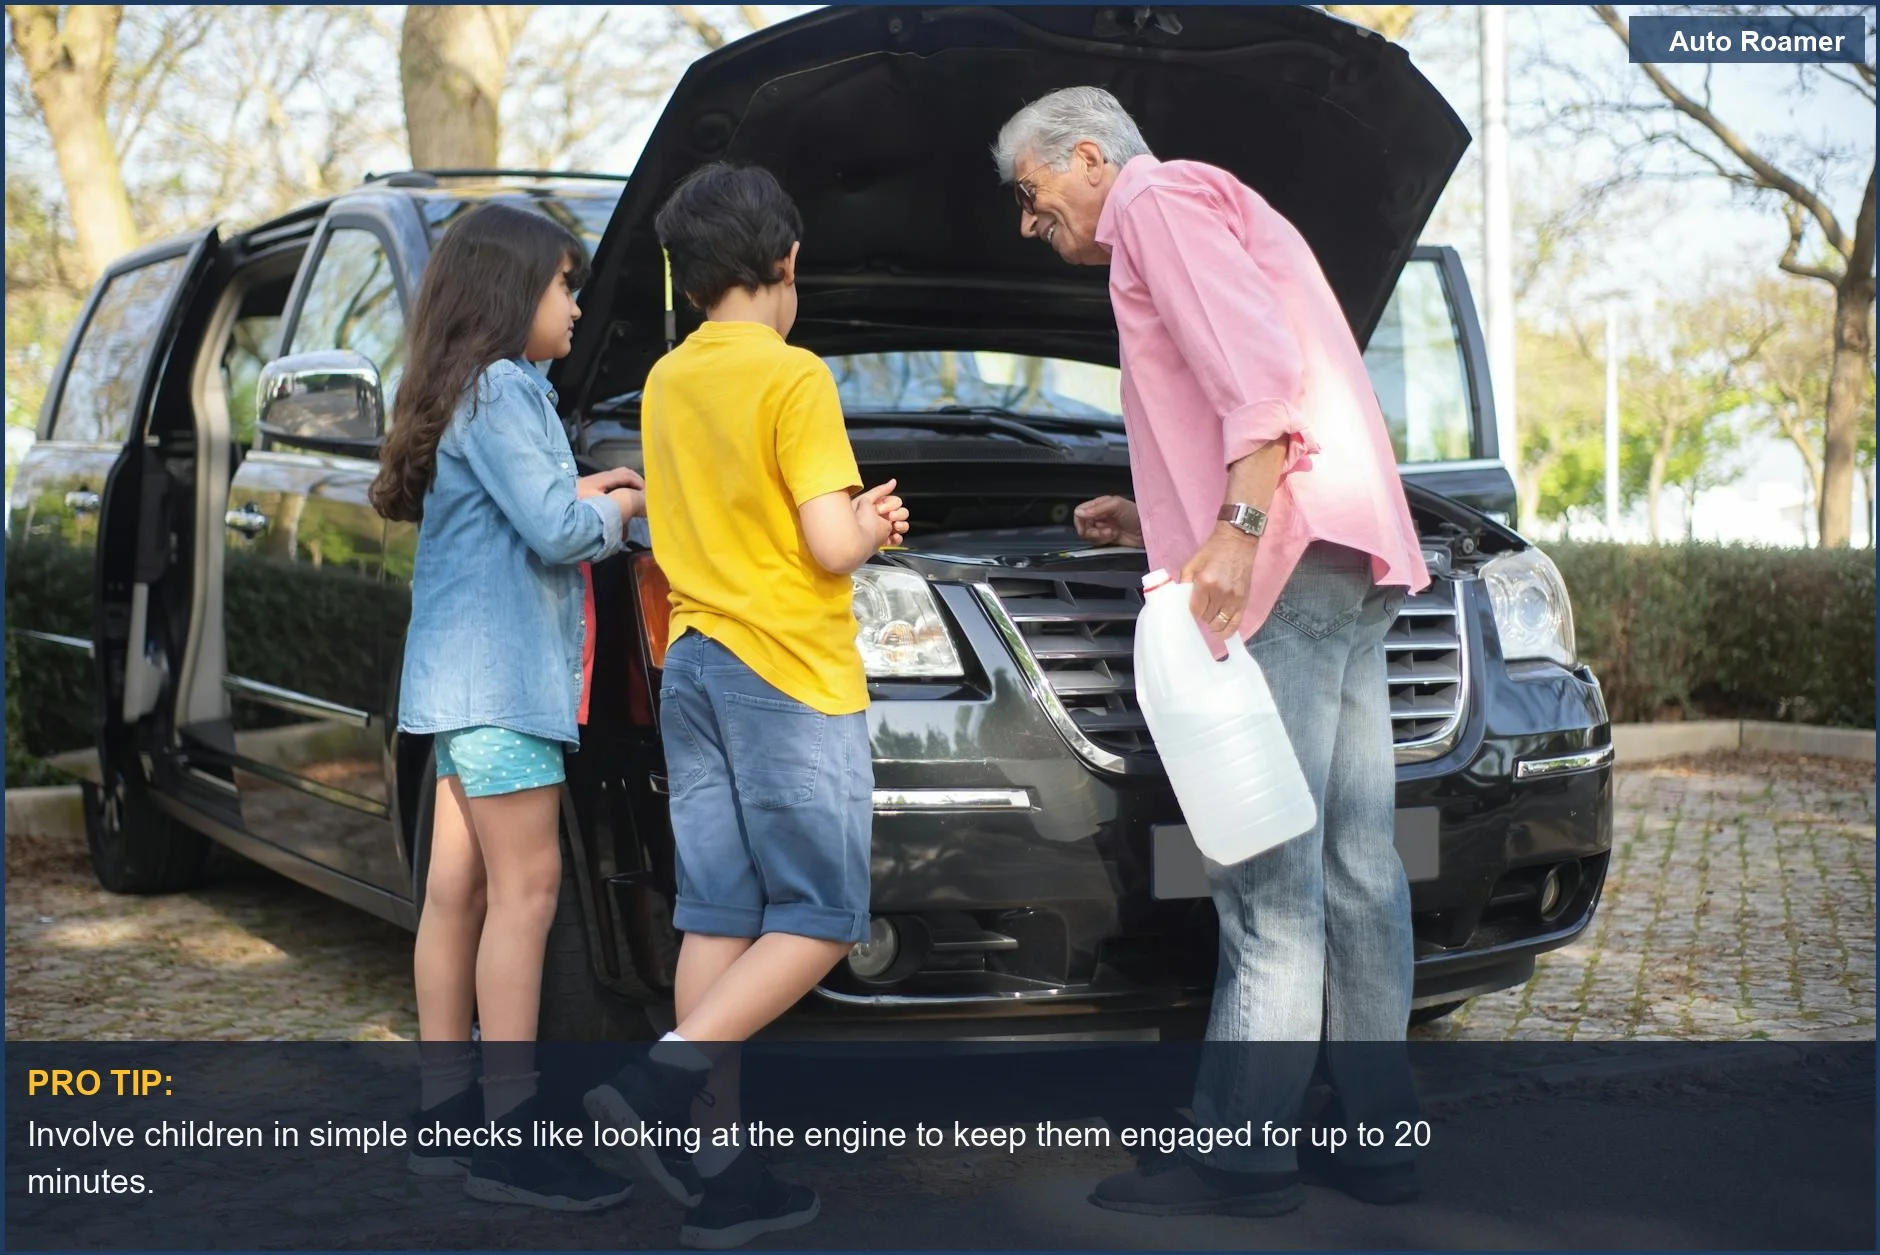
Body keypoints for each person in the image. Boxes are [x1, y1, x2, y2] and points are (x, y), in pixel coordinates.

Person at [991, 87, 1432, 1215]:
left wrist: (1231, 534)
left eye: (1034, 200)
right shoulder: (1219, 204)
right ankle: (1377, 1139)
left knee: (1264, 870)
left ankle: (1239, 1158)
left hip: (1282, 554)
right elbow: (1264, 379)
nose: (1029, 229)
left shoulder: (1155, 204)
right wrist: (1158, 516)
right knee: (1355, 860)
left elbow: (1257, 379)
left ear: (1089, 158)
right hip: (1346, 547)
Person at [582, 162, 908, 1249]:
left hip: (695, 664)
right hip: (786, 671)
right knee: (821, 915)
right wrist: (873, 523)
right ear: (789, 261)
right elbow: (823, 542)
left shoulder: (669, 379)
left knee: (714, 910)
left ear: (687, 280)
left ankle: (719, 1179)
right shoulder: (793, 375)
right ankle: (659, 1084)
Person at [370, 202, 644, 1211]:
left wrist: (580, 487)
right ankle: (510, 1130)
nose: (574, 304)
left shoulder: (469, 393)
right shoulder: (507, 390)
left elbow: (520, 507)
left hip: (458, 689)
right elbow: (556, 533)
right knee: (527, 890)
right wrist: (611, 507)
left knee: (456, 892)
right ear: (507, 294)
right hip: (503, 690)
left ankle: (447, 1115)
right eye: (562, 285)